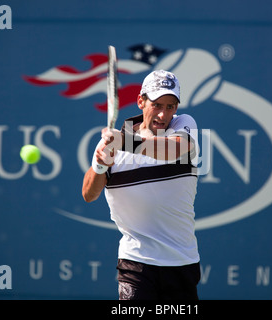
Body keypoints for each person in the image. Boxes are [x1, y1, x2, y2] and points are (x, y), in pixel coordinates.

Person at [82, 69, 201, 300]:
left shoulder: (184, 125)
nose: (163, 114)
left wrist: (123, 143)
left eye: (170, 106)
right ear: (140, 101)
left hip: (182, 262)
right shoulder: (117, 142)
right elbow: (88, 193)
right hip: (135, 263)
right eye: (156, 105)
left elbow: (175, 149)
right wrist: (101, 164)